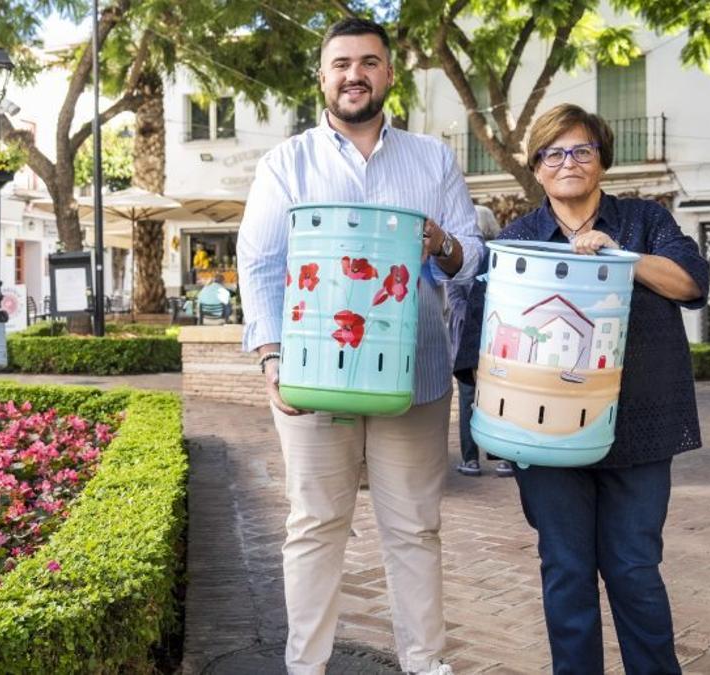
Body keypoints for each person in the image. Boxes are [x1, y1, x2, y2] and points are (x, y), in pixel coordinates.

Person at [236, 17, 483, 675]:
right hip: (315, 376)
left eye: (368, 62)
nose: (354, 74)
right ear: (322, 77)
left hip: (416, 377)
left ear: (389, 74)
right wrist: (270, 360)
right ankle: (306, 666)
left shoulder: (433, 159)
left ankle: (425, 664)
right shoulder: (285, 163)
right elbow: (259, 265)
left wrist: (443, 244)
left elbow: (471, 254)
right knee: (315, 526)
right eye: (341, 63)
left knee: (414, 529)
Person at [455, 103, 708, 674]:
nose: (568, 162)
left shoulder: (644, 221)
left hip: (639, 428)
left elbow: (692, 281)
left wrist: (618, 255)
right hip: (543, 435)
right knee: (566, 569)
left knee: (634, 568)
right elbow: (478, 337)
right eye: (554, 152)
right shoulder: (519, 238)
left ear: (601, 161)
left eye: (582, 150)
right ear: (538, 168)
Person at [448, 205, 513, 477]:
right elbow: (453, 296)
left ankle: (500, 457)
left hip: (497, 339)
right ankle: (473, 457)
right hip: (470, 337)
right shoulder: (461, 257)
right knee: (472, 397)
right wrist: (480, 314)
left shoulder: (502, 258)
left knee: (496, 398)